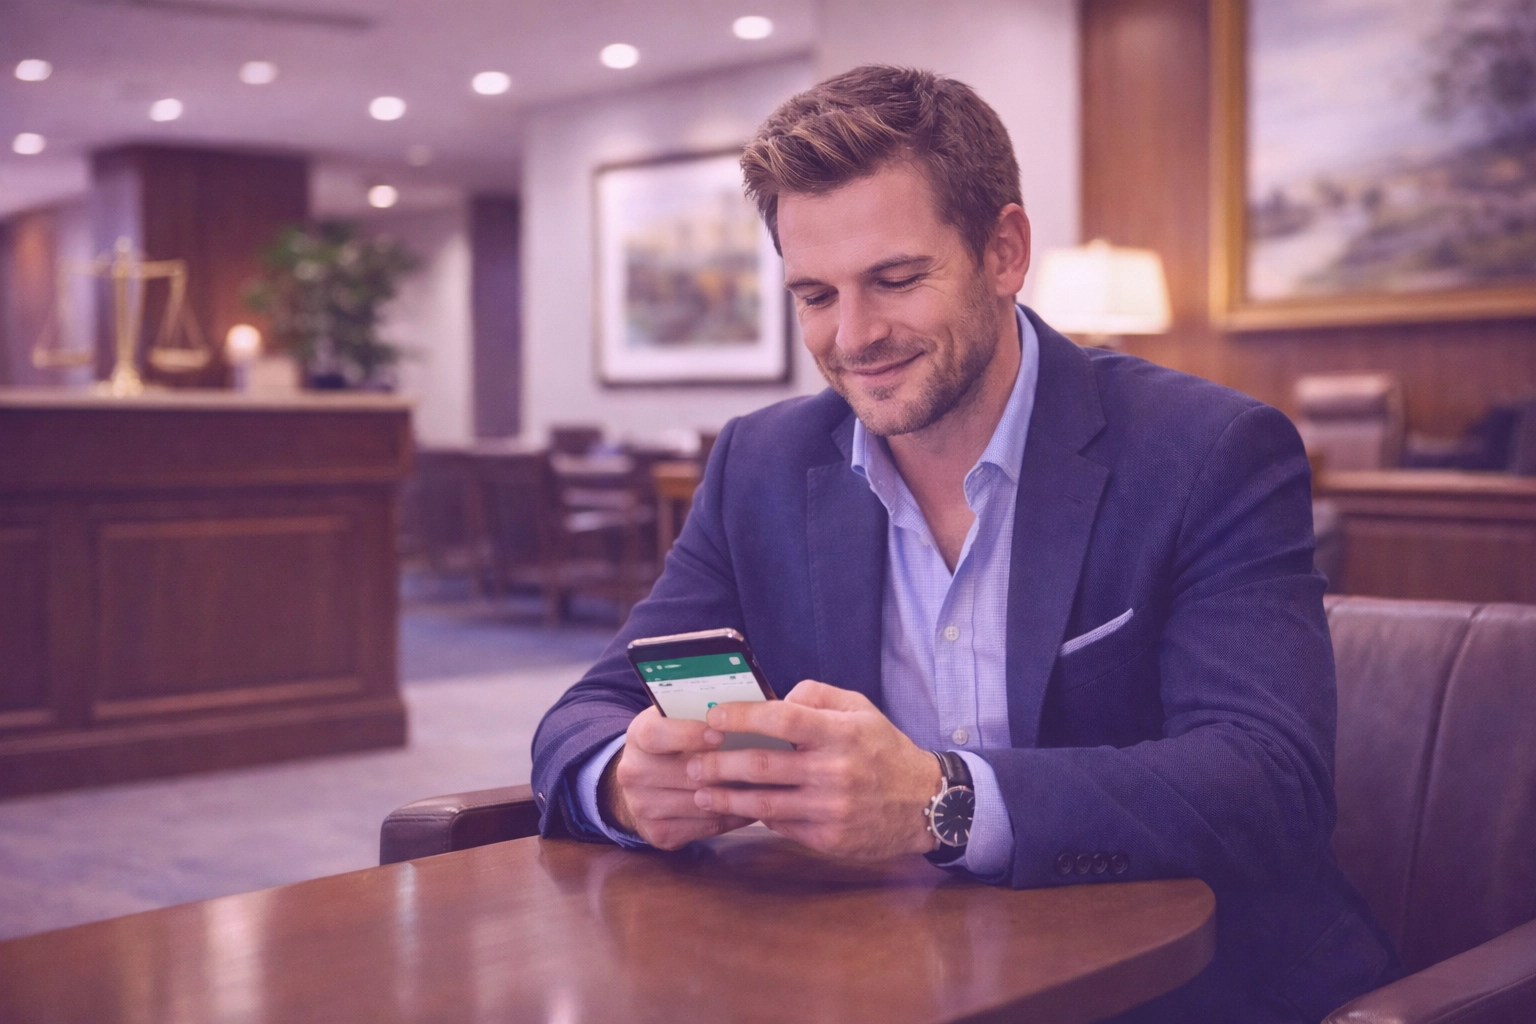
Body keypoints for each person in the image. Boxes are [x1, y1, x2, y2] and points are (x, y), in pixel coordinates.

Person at [530, 65, 1400, 1022]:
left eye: (896, 280)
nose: (854, 336)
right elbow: (590, 710)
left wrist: (940, 802)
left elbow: (1267, 783)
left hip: (1183, 987)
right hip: (876, 980)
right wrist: (619, 779)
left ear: (1005, 250)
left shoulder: (1209, 450)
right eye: (815, 294)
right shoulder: (761, 464)